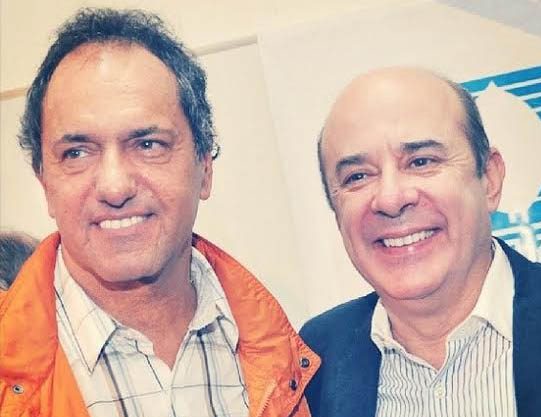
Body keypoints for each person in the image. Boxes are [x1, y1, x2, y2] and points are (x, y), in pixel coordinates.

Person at [0, 8, 319, 417]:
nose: (115, 187)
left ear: (205, 167)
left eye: (148, 144)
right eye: (77, 153)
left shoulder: (292, 357)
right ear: (45, 182)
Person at [300, 67, 541, 417]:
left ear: (489, 179)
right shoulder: (313, 361)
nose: (390, 199)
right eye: (357, 176)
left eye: (421, 161)